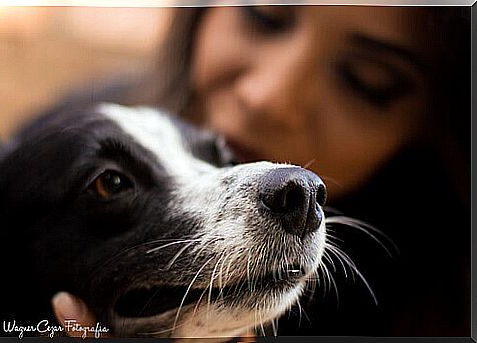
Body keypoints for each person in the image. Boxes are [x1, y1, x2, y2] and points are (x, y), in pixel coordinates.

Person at [51, 6, 470, 337]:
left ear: (438, 127)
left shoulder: (442, 312)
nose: (268, 98)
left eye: (367, 80)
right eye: (263, 15)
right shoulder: (72, 128)